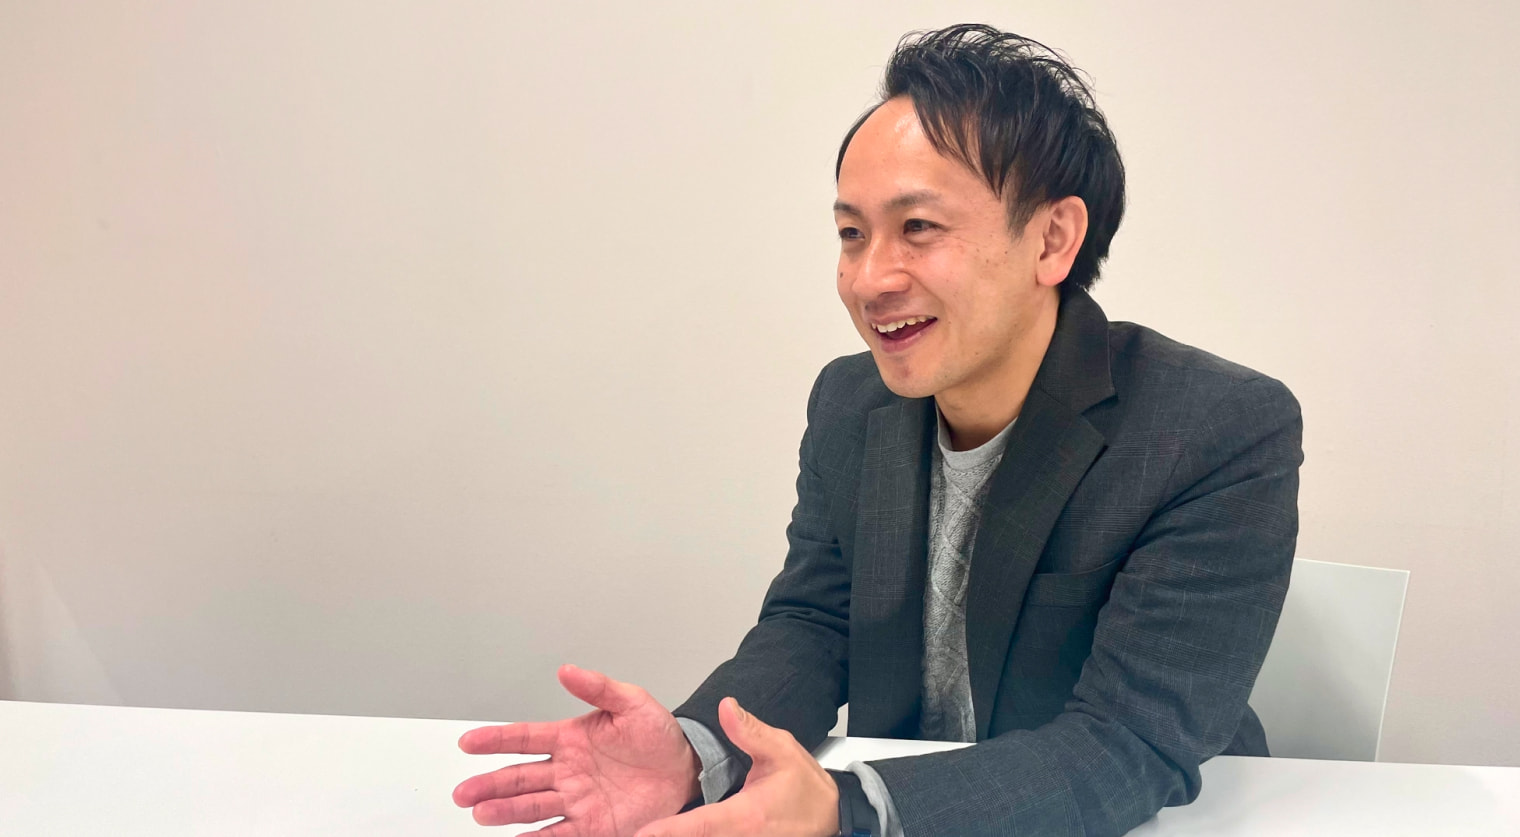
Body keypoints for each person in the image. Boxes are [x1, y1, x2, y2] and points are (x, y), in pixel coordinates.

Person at [452, 23, 1302, 837]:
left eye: (917, 228)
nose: (868, 279)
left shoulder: (1213, 429)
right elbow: (813, 625)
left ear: (1052, 239)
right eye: (851, 234)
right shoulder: (849, 402)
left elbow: (1128, 742)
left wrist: (846, 807)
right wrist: (695, 749)